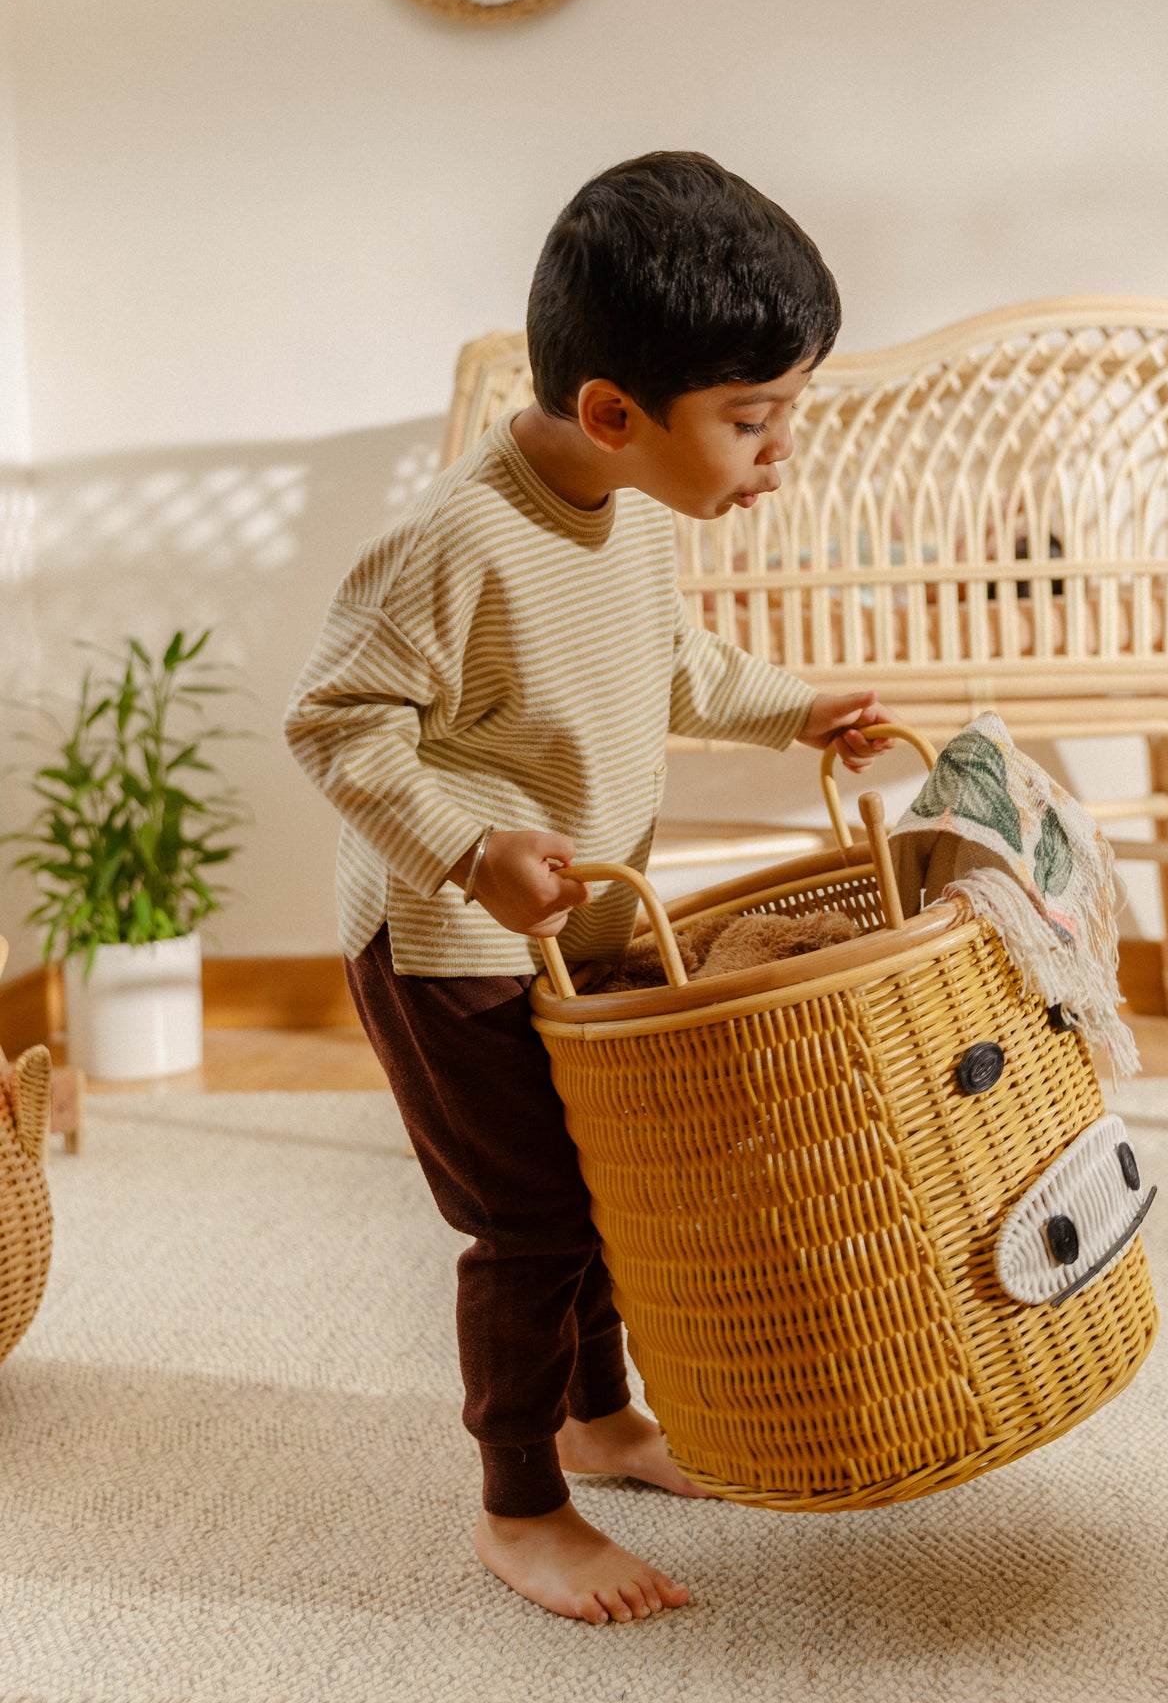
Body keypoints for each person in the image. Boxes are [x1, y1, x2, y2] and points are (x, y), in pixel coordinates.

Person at [285, 151, 895, 1625]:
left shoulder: (629, 514)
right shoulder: (455, 541)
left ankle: (597, 1418)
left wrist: (796, 709)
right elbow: (336, 722)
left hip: (583, 929)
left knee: (609, 1176)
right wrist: (470, 848)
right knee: (531, 1222)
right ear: (618, 414)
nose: (780, 450)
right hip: (449, 943)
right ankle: (520, 1504)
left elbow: (673, 666)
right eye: (754, 420)